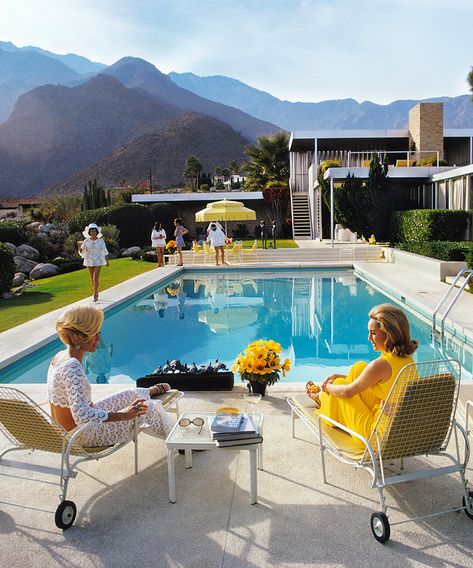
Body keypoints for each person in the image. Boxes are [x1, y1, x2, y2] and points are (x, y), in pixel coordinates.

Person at [47, 305, 173, 447]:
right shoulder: (72, 366)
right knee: (148, 409)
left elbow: (75, 407)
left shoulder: (59, 357)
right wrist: (124, 415)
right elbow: (82, 416)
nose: (99, 339)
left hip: (68, 430)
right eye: (94, 333)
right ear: (78, 337)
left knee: (130, 394)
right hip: (82, 435)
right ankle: (180, 441)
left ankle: (147, 391)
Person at [305, 303, 418, 449]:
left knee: (339, 384)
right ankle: (331, 403)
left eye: (374, 333)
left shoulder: (382, 364)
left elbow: (347, 392)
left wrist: (327, 387)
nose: (369, 338)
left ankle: (324, 399)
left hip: (375, 436)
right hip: (397, 429)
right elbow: (372, 378)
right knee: (359, 368)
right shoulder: (407, 360)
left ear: (389, 335)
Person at [77, 223, 109, 302]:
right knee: (92, 279)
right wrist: (79, 247)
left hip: (98, 260)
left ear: (97, 232)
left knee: (95, 278)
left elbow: (105, 251)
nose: (93, 232)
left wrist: (107, 261)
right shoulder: (86, 241)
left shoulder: (101, 240)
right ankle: (96, 291)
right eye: (92, 231)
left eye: (95, 231)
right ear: (89, 232)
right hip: (89, 260)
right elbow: (82, 252)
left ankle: (95, 294)